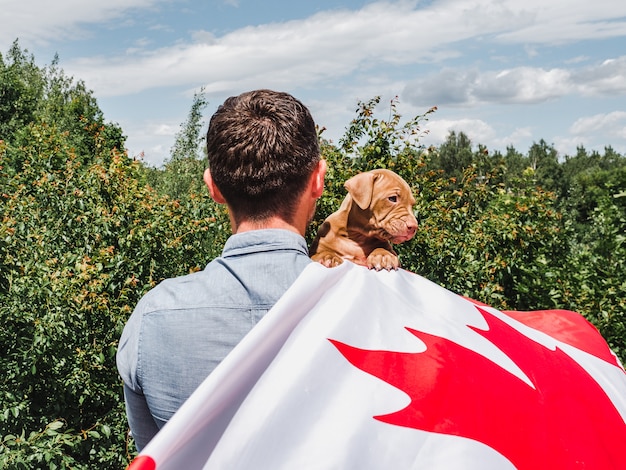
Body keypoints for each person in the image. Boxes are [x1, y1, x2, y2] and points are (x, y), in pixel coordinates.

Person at [116, 89, 327, 451]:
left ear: (212, 186)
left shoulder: (153, 318)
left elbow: (155, 458)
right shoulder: (378, 305)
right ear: (318, 179)